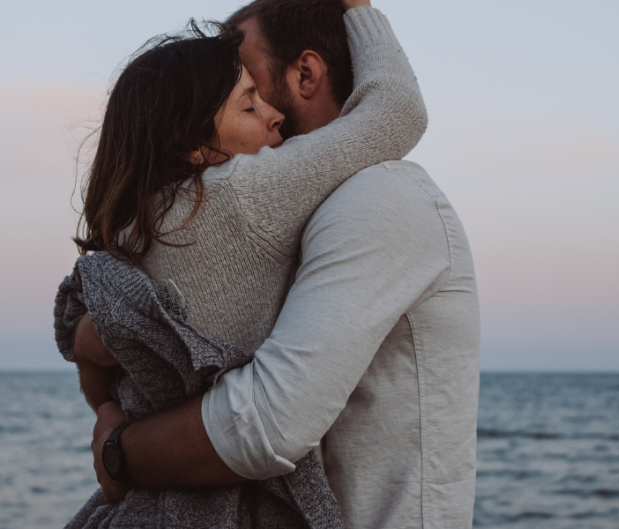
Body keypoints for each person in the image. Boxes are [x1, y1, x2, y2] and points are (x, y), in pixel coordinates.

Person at [62, 0, 439, 527]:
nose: (272, 113)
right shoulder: (244, 194)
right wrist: (359, 9)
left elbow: (86, 343)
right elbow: (398, 111)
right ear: (192, 143)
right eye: (248, 105)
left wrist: (106, 417)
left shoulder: (131, 228)